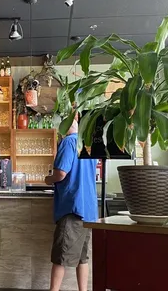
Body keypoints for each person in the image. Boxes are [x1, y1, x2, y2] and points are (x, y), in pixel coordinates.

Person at [45, 117, 98, 291]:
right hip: (88, 208)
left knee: (61, 256)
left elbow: (61, 173)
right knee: (83, 258)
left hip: (72, 207)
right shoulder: (87, 143)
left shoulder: (69, 142)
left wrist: (48, 179)